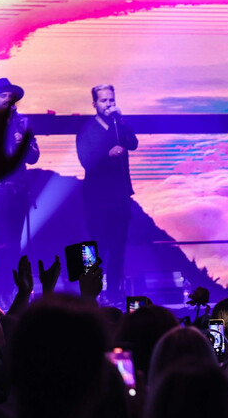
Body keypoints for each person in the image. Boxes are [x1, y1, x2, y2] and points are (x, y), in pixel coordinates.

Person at [76, 84, 138, 300]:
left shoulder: (118, 125)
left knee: (118, 247)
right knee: (95, 246)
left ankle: (114, 293)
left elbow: (133, 143)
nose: (109, 104)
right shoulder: (87, 129)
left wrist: (122, 121)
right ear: (94, 104)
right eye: (104, 101)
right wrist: (107, 154)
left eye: (111, 100)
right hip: (96, 198)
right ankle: (89, 293)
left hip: (120, 196)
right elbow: (85, 160)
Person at [0, 78, 40, 296]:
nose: (7, 99)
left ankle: (13, 288)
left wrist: (21, 144)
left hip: (18, 189)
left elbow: (34, 157)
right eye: (3, 95)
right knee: (1, 239)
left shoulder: (22, 122)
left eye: (10, 95)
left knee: (15, 240)